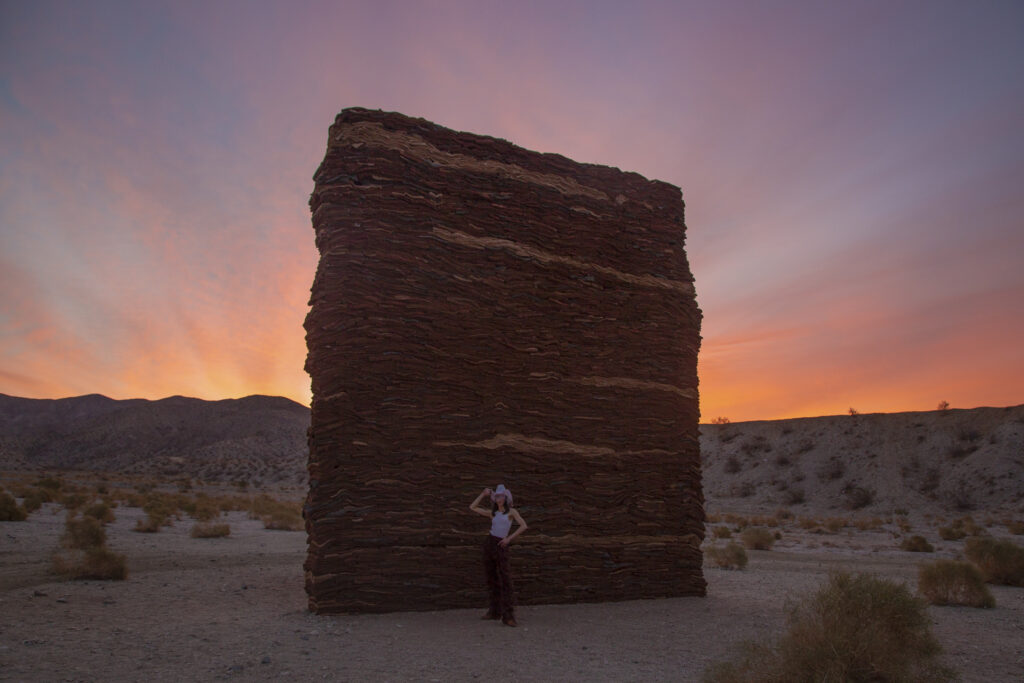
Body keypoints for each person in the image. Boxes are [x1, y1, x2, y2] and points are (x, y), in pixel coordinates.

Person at [469, 484, 527, 626]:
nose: (499, 499)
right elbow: (472, 507)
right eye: (497, 496)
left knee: (505, 579)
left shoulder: (511, 512)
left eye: (501, 496)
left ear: (506, 498)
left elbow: (523, 525)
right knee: (492, 577)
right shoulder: (493, 513)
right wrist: (483, 494)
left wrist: (508, 538)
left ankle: (508, 615)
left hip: (501, 545)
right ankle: (494, 610)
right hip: (490, 543)